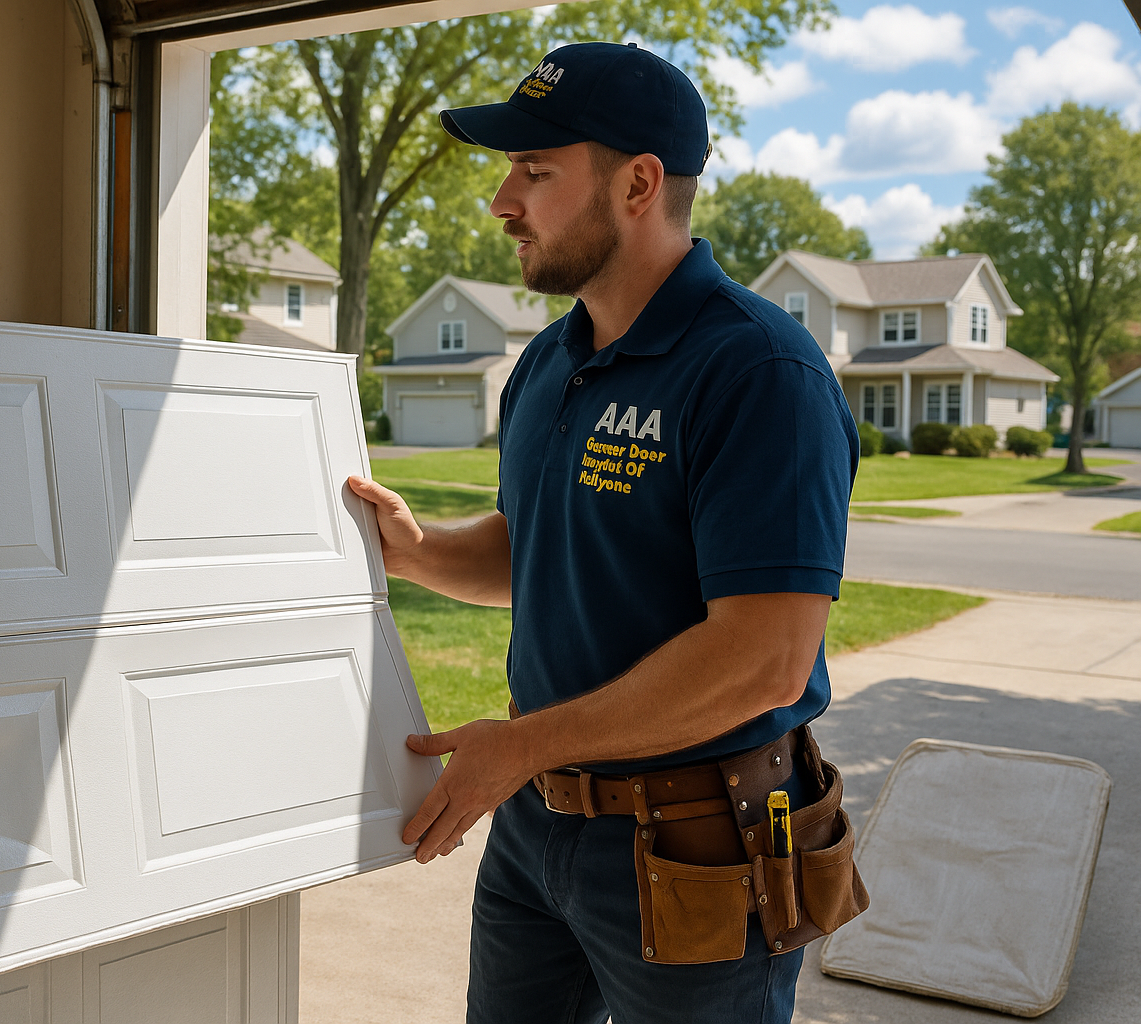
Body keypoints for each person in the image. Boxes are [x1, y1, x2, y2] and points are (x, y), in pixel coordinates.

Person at [347, 41, 861, 1024]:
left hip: (700, 841)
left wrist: (521, 742)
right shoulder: (549, 361)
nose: (503, 200)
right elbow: (539, 542)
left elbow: (768, 660)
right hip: (537, 833)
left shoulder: (760, 372)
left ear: (638, 183)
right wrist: (415, 551)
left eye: (536, 172)